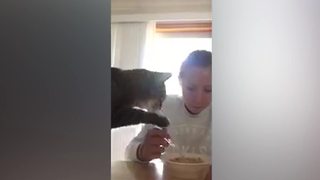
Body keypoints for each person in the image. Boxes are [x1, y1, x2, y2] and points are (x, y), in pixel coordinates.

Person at [125, 50, 212, 162]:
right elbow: (129, 152)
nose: (198, 99)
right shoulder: (164, 107)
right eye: (191, 88)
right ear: (180, 81)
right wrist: (142, 151)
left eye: (208, 90)